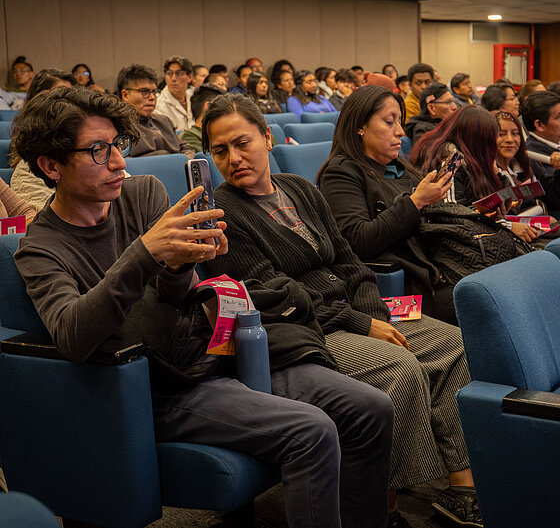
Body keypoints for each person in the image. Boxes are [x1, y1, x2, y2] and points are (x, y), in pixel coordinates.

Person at [13, 86, 394, 528]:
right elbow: (73, 336)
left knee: (371, 408)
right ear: (50, 165)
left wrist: (182, 264)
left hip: (220, 354)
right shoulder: (40, 248)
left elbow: (181, 297)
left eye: (118, 145)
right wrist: (147, 255)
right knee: (312, 430)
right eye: (98, 150)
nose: (119, 163)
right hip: (161, 387)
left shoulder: (143, 194)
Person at [203, 92, 479, 528]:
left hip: (355, 312)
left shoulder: (300, 189)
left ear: (268, 139)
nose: (234, 158)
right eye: (220, 151)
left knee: (453, 343)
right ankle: (382, 510)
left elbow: (349, 260)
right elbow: (277, 296)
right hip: (311, 330)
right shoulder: (225, 214)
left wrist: (374, 314)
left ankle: (462, 489)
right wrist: (359, 322)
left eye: (243, 143)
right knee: (399, 367)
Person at [317, 85, 456, 324]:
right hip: (414, 281)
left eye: (400, 122)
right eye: (389, 122)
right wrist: (416, 202)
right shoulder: (341, 173)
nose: (401, 132)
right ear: (360, 127)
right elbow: (358, 241)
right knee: (484, 302)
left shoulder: (400, 167)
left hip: (444, 265)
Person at [411, 105, 539, 243]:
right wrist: (506, 226)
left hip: (482, 236)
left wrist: (498, 175)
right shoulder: (450, 162)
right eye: (490, 139)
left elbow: (476, 209)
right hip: (461, 246)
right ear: (476, 139)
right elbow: (451, 216)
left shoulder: (473, 158)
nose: (493, 145)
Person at [10, 69, 77, 211]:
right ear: (39, 100)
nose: (71, 106)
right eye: (61, 97)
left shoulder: (89, 153)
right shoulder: (27, 171)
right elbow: (45, 221)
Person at [117, 64, 194, 158]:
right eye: (144, 91)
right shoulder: (119, 127)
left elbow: (185, 148)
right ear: (125, 95)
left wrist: (185, 161)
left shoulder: (164, 121)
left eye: (154, 91)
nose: (152, 97)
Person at [155, 55, 195, 130]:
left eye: (178, 74)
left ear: (189, 77)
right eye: (169, 74)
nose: (173, 79)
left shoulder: (195, 96)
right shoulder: (158, 104)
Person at [180, 84, 224, 153]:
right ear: (208, 106)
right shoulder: (189, 137)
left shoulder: (221, 133)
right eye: (223, 107)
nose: (226, 113)